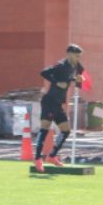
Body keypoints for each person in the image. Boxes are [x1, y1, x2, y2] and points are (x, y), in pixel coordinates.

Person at [34, 44, 86, 172]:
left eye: (80, 56)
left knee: (66, 130)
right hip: (49, 101)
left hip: (58, 103)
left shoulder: (77, 66)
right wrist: (56, 82)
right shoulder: (61, 65)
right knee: (44, 129)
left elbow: (74, 78)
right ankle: (38, 159)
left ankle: (52, 156)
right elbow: (44, 72)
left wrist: (78, 79)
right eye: (76, 56)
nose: (78, 58)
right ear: (68, 54)